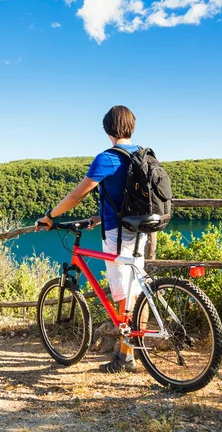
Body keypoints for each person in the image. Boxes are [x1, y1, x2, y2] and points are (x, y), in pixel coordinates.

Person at [35, 105, 145, 374]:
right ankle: (131, 349)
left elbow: (76, 196)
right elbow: (125, 195)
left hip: (118, 234)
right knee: (135, 289)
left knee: (122, 293)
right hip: (140, 228)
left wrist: (50, 215)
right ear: (131, 127)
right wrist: (99, 217)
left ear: (108, 129)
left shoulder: (107, 158)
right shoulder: (142, 154)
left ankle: (125, 358)